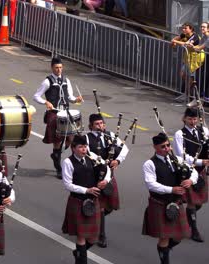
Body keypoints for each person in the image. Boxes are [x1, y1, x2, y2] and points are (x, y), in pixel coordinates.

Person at [142, 133, 198, 264]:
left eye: (168, 145)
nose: (167, 149)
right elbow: (151, 184)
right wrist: (171, 189)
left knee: (180, 236)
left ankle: (164, 250)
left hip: (176, 203)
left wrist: (191, 180)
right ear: (155, 147)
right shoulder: (149, 164)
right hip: (160, 203)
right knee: (164, 238)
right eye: (163, 147)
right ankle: (164, 259)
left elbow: (193, 171)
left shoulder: (177, 159)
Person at [61, 135, 110, 264]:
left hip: (93, 201)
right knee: (81, 236)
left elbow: (107, 168)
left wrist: (106, 180)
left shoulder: (91, 157)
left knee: (93, 238)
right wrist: (86, 190)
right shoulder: (68, 162)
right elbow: (68, 184)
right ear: (73, 148)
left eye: (85, 146)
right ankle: (81, 260)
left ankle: (78, 252)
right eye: (80, 147)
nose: (84, 149)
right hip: (78, 201)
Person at [33, 57, 83, 179]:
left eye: (60, 67)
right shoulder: (47, 81)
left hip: (66, 112)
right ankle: (58, 168)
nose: (59, 70)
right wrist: (45, 102)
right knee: (57, 141)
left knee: (72, 139)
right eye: (56, 68)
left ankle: (61, 158)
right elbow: (36, 96)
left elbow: (70, 97)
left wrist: (76, 99)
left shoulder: (66, 80)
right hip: (54, 112)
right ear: (52, 68)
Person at [85, 113, 129, 248]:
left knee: (109, 206)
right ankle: (101, 235)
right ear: (91, 126)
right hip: (94, 177)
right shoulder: (86, 138)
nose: (101, 126)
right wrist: (102, 163)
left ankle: (96, 218)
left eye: (102, 123)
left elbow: (125, 148)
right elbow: (87, 153)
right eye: (97, 124)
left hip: (109, 176)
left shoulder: (110, 135)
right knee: (102, 208)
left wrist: (117, 160)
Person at [172, 107, 209, 242]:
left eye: (195, 119)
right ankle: (193, 230)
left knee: (199, 202)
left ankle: (186, 218)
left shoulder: (203, 131)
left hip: (201, 171)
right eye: (190, 119)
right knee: (192, 202)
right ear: (184, 119)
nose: (193, 122)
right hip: (187, 170)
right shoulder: (179, 134)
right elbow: (180, 155)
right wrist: (201, 161)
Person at [171, 23, 204, 103]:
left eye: (185, 28)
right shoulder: (183, 35)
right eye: (183, 28)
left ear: (191, 29)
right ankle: (187, 93)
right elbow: (173, 42)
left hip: (196, 59)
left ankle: (188, 95)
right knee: (183, 74)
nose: (183, 30)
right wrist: (174, 42)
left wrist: (175, 41)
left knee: (190, 77)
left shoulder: (195, 36)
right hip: (188, 58)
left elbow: (187, 44)